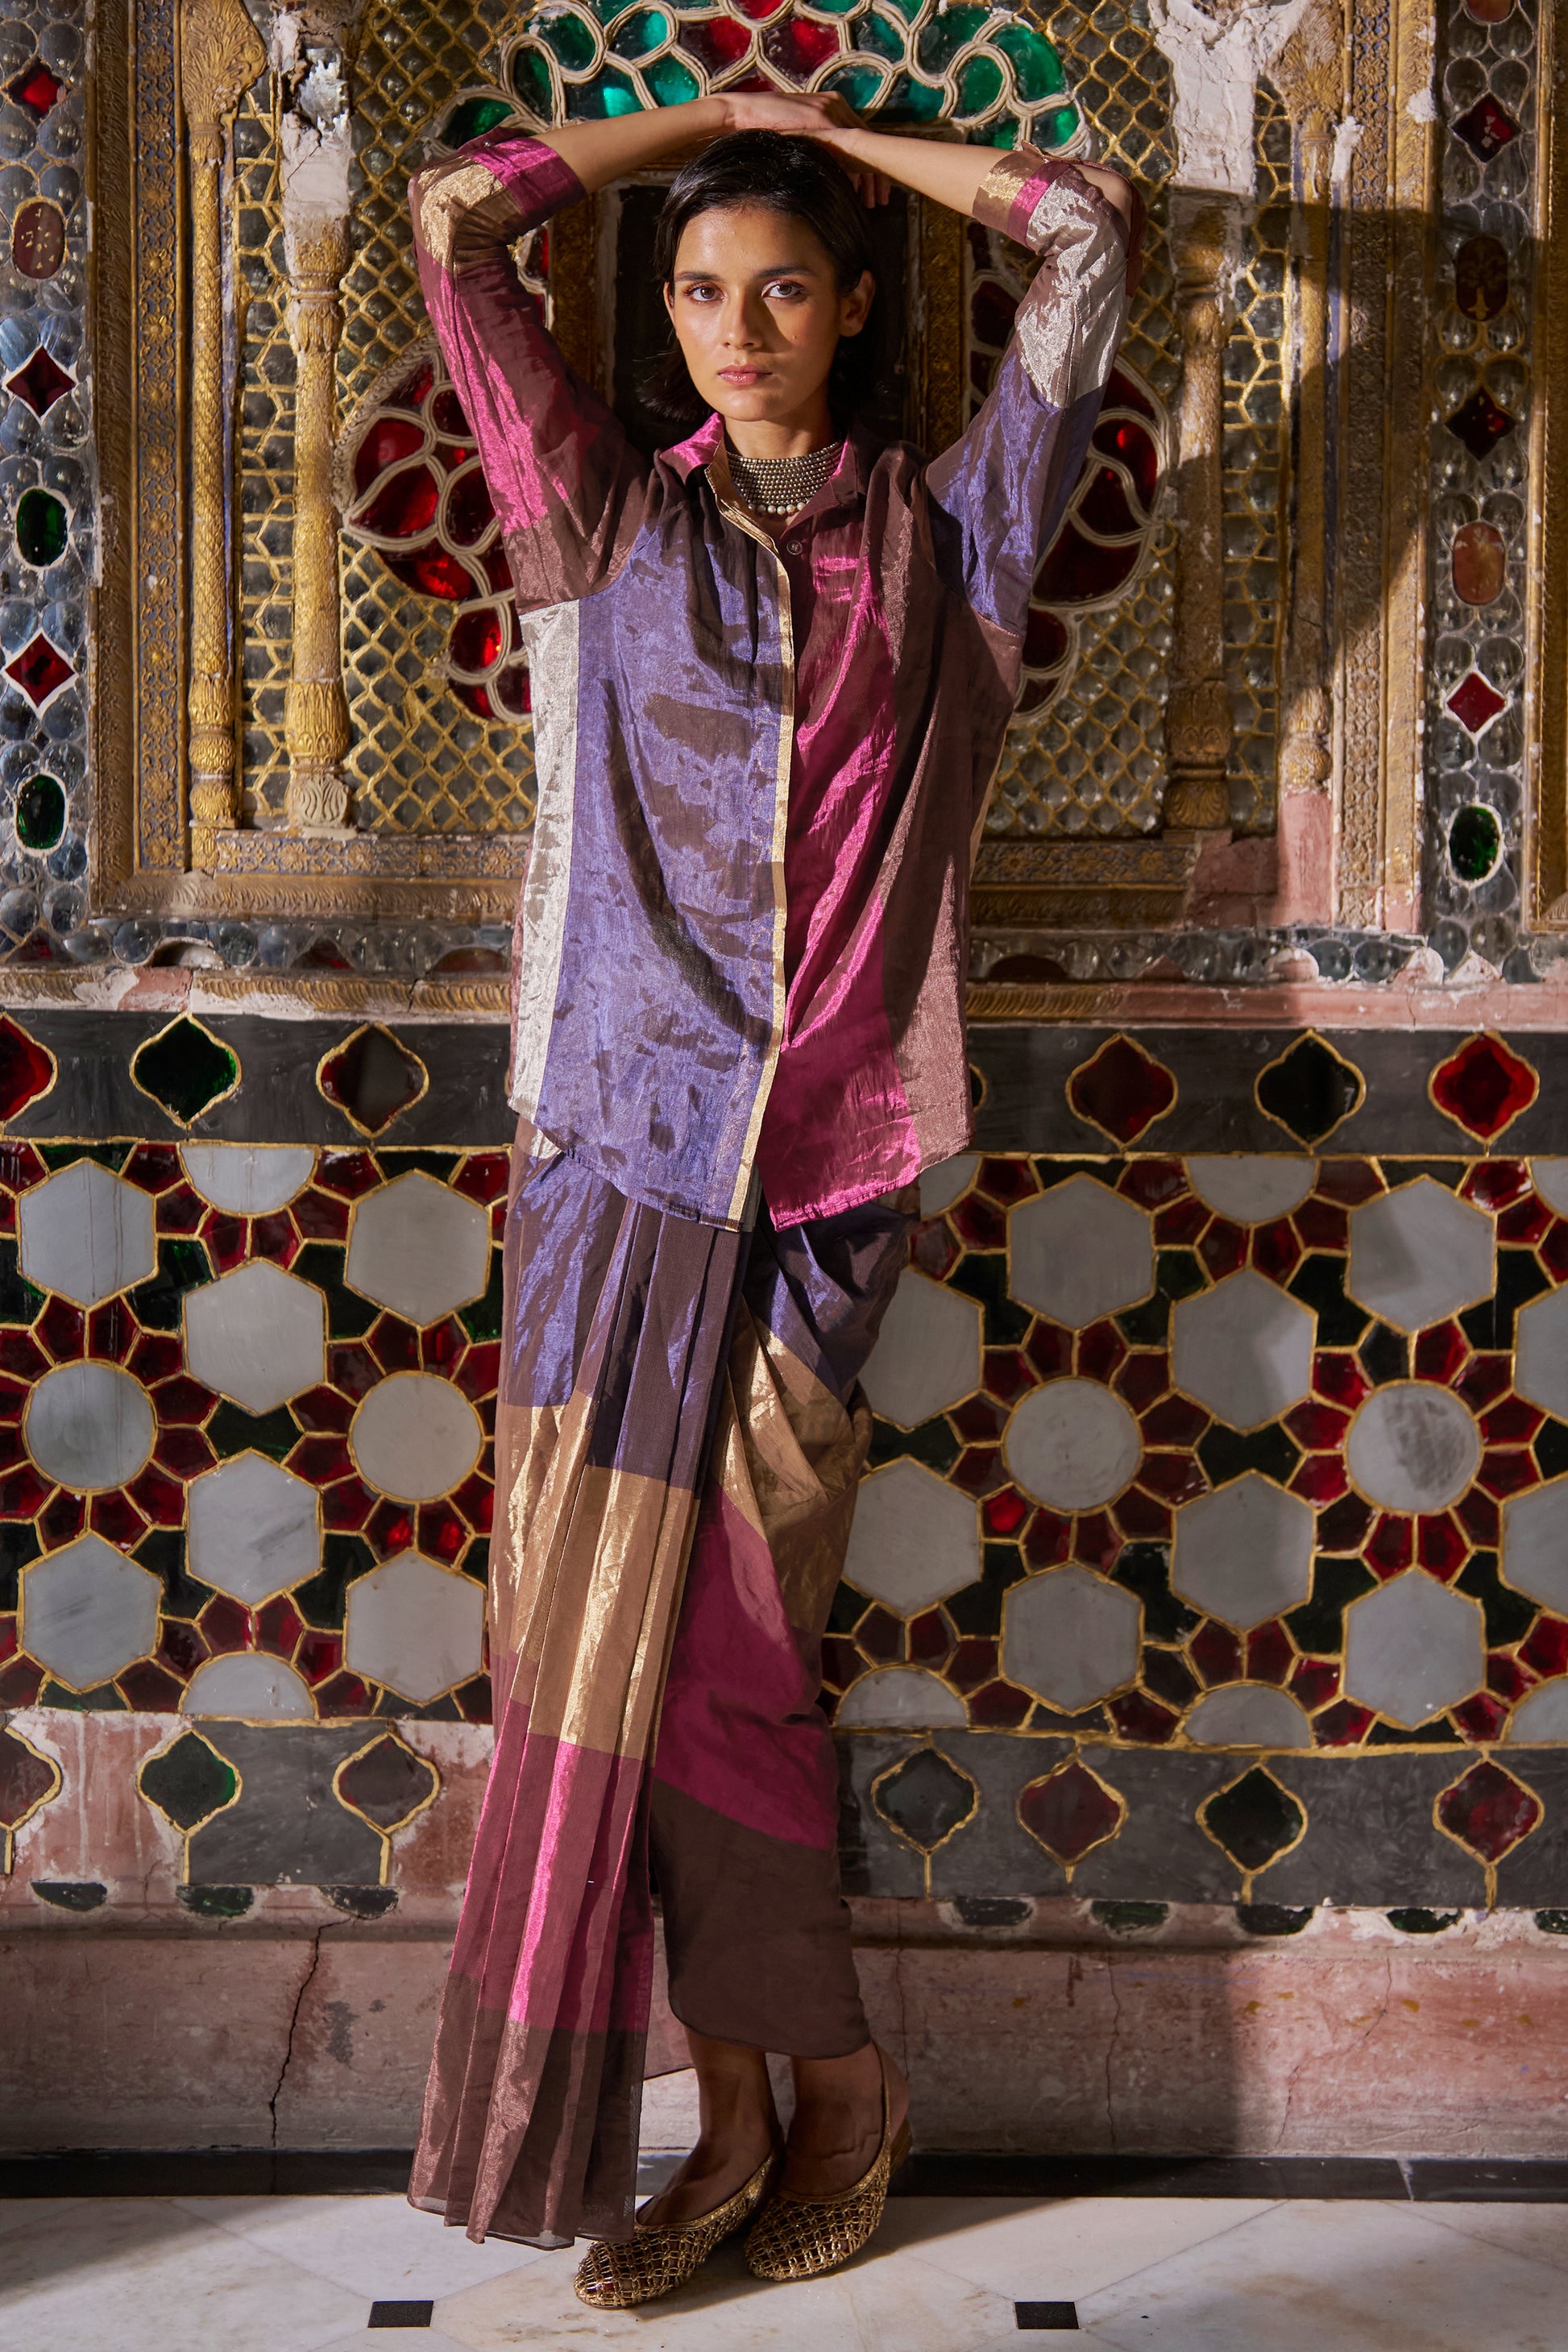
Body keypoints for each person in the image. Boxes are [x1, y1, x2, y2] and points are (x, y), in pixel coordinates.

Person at [404, 85, 1138, 2308]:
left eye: (785, 286)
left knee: (723, 1653)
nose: (738, 326)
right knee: (596, 1657)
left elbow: (1086, 235)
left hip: (830, 1176)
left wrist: (814, 125)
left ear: (850, 309)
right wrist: (698, 124)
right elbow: (451, 229)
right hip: (609, 1160)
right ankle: (729, 2119)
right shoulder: (597, 522)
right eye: (704, 290)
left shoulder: (955, 540)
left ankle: (829, 2090)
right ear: (665, 318)